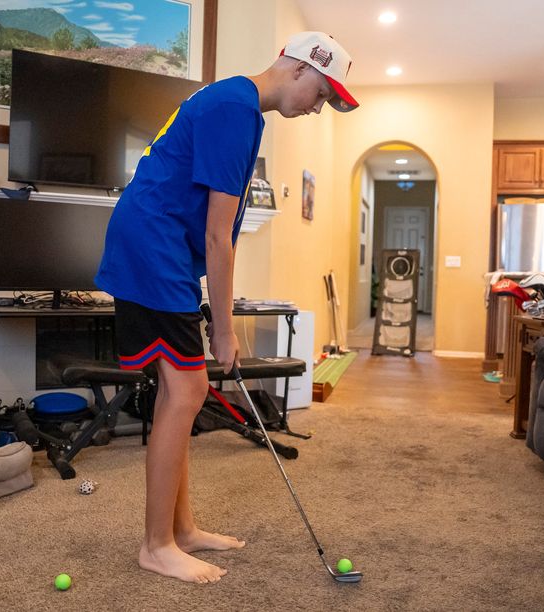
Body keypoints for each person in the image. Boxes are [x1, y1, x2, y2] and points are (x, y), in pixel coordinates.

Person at [95, 31, 358, 584]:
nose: (317, 107)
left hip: (157, 248)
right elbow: (220, 236)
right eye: (321, 92)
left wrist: (217, 319)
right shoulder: (236, 109)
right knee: (187, 389)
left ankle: (180, 529)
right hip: (153, 249)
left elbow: (215, 229)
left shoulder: (240, 107)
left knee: (180, 391)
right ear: (295, 67)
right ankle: (156, 544)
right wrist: (225, 327)